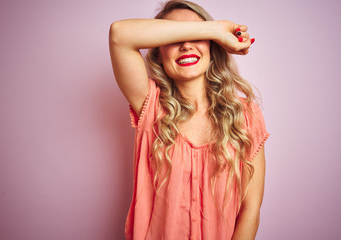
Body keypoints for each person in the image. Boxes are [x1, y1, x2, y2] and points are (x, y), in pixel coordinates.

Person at [108, 0, 270, 239]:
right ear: (159, 52)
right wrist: (215, 29)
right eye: (173, 38)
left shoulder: (245, 115)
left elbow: (250, 211)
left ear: (213, 47)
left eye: (197, 36)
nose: (186, 46)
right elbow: (119, 34)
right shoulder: (151, 106)